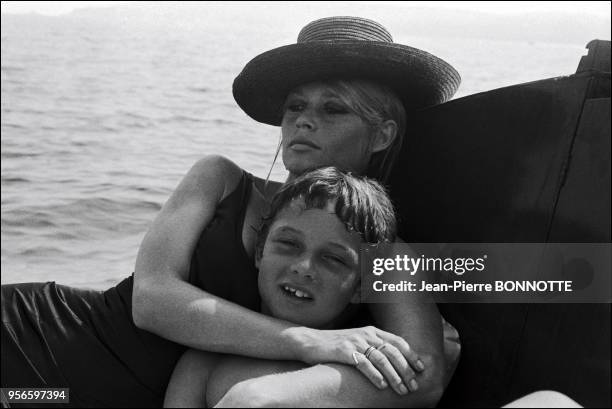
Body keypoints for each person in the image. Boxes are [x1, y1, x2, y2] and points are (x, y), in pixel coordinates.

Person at [1, 16, 461, 407]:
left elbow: (423, 375)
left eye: (333, 108)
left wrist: (268, 393)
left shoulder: (382, 250)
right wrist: (308, 342)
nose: (302, 120)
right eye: (295, 106)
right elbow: (153, 299)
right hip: (41, 346)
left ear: (381, 135)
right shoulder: (220, 180)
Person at [164, 167, 401, 407]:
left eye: (334, 259)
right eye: (289, 243)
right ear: (259, 252)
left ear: (360, 287)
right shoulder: (204, 363)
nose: (304, 267)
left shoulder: (369, 370)